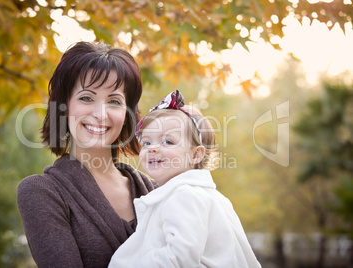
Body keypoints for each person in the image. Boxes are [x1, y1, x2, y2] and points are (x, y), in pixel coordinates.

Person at [16, 41, 157, 267]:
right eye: (86, 98)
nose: (100, 114)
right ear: (64, 106)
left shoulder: (157, 192)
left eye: (114, 101)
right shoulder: (42, 192)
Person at [108, 90, 261, 268]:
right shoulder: (205, 195)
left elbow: (180, 258)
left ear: (195, 155)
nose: (153, 149)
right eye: (147, 142)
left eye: (168, 142)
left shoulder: (184, 196)